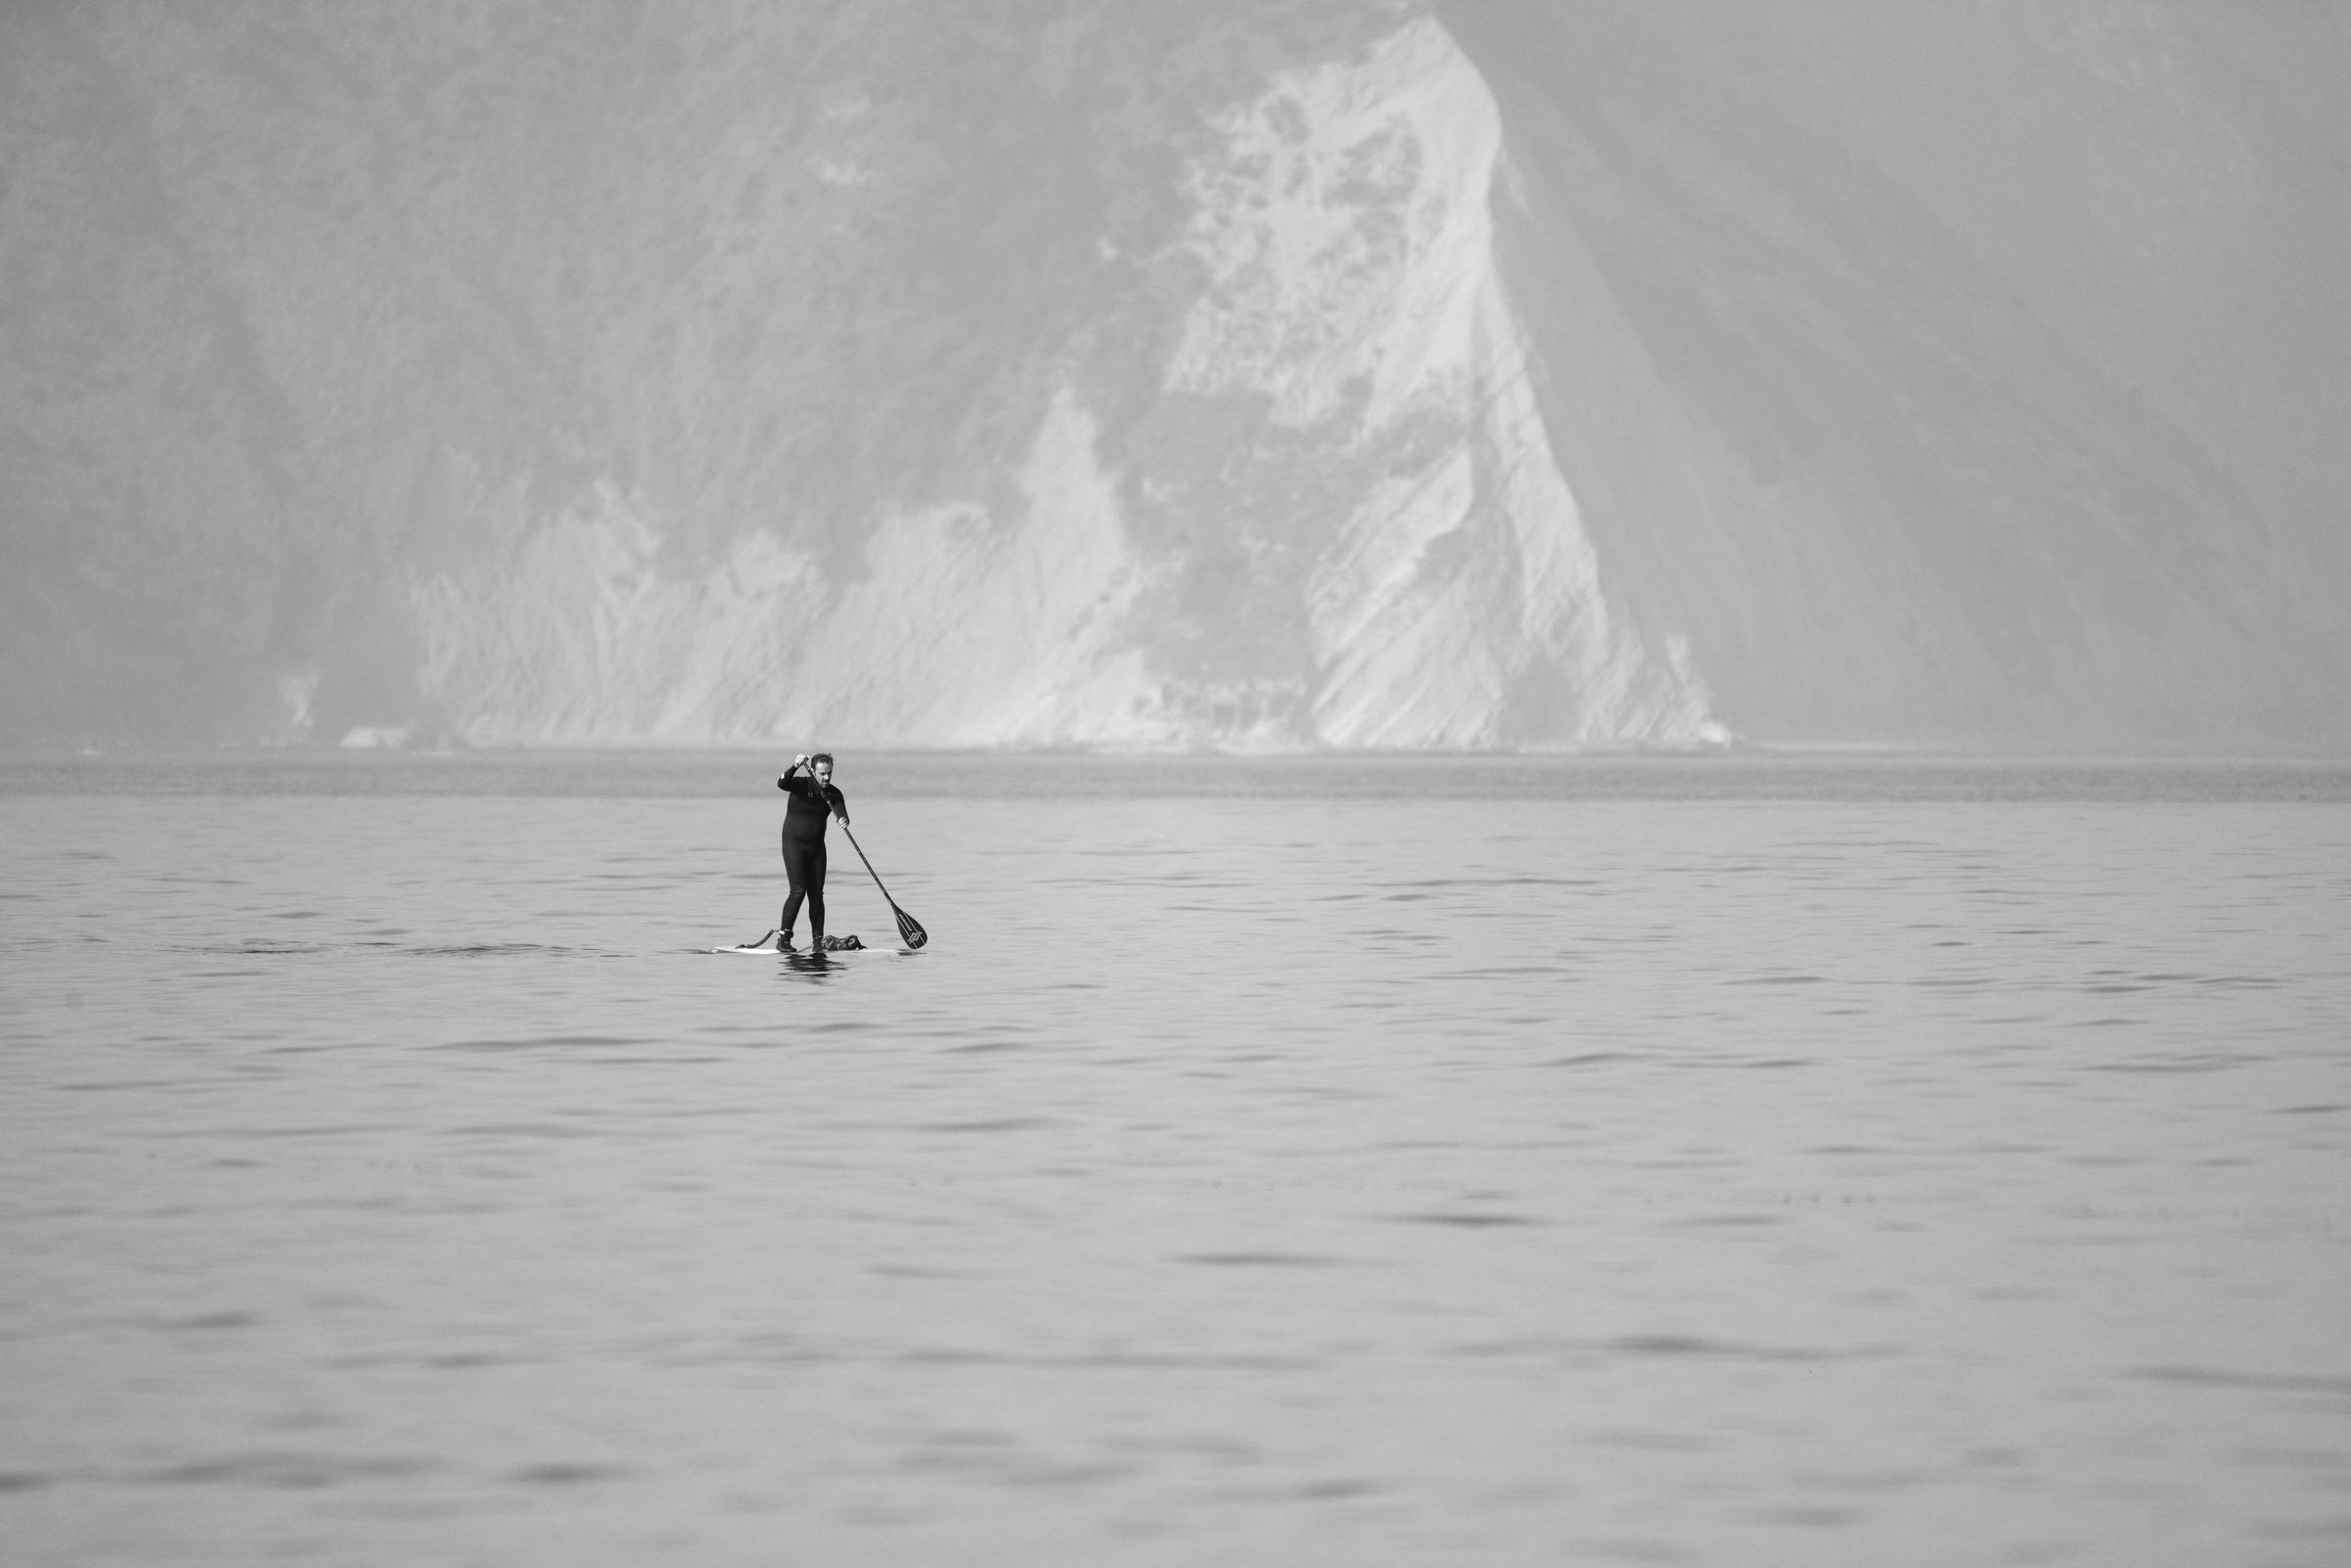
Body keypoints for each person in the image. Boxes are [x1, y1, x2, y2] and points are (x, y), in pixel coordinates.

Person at [773, 751, 847, 950]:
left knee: (816, 894)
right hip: (794, 845)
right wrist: (795, 765)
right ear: (813, 771)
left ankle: (818, 941)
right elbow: (781, 783)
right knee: (798, 891)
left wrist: (843, 820)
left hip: (816, 849)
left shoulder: (833, 794)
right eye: (822, 773)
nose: (826, 777)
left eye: (829, 773)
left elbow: (841, 812)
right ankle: (784, 939)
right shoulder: (800, 785)